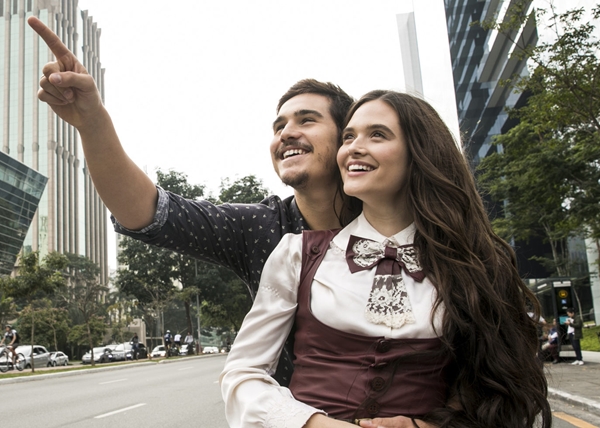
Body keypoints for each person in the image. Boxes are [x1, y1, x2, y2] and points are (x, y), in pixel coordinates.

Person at [29, 17, 358, 387]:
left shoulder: (399, 221)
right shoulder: (261, 228)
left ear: (348, 139)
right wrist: (91, 120)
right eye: (278, 126)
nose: (287, 134)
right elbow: (148, 212)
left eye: (307, 120)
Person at [221, 90, 551, 428]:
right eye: (348, 137)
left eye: (377, 134)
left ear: (419, 152)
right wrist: (313, 424)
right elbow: (243, 374)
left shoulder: (476, 265)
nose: (353, 148)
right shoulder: (297, 255)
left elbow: (505, 393)